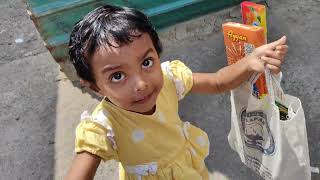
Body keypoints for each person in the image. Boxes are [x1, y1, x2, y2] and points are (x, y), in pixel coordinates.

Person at [65, 4, 288, 180]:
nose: (141, 83)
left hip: (189, 171)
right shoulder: (104, 126)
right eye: (117, 76)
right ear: (94, 86)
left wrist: (249, 62)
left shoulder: (169, 78)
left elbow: (218, 82)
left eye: (146, 62)